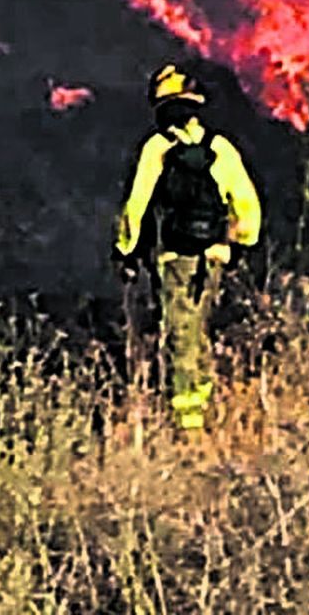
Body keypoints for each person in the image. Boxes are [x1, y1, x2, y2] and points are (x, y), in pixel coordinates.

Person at [113, 63, 262, 432]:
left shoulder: (158, 148)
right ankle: (205, 410)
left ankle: (189, 427)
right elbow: (247, 205)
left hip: (174, 256)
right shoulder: (220, 149)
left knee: (179, 334)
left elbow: (137, 204)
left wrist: (125, 249)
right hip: (212, 256)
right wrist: (238, 246)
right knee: (198, 330)